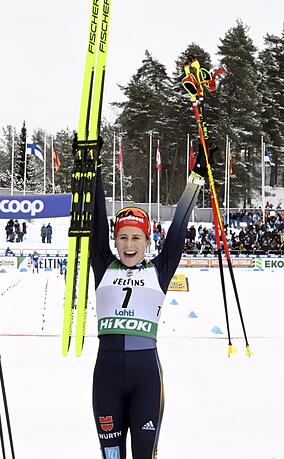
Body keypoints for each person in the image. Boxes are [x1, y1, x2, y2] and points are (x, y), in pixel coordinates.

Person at [89, 145, 206, 459]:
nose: (129, 245)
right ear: (115, 241)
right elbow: (96, 217)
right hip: (107, 379)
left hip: (147, 381)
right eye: (123, 237)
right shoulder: (103, 265)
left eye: (136, 238)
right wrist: (94, 169)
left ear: (147, 241)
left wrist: (196, 179)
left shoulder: (160, 269)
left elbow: (179, 225)